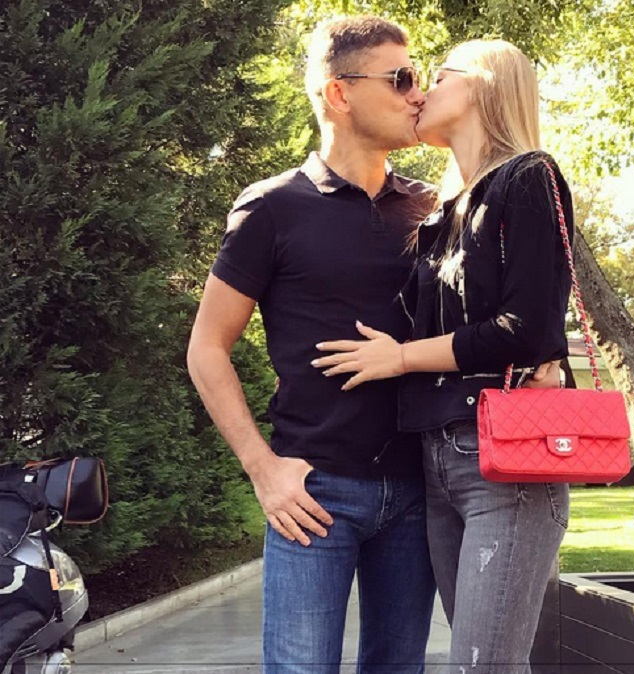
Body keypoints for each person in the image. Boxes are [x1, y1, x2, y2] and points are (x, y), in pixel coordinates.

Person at [186, 16, 440, 674]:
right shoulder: (270, 208)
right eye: (401, 78)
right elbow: (207, 347)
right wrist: (262, 469)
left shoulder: (435, 209)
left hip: (419, 491)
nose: (418, 94)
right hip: (313, 494)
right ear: (339, 92)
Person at [313, 39, 575, 673]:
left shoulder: (528, 176)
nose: (419, 92)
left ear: (483, 84)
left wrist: (401, 358)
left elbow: (526, 328)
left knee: (483, 666)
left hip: (505, 465)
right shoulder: (443, 211)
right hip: (437, 459)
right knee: (479, 662)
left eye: (434, 76)